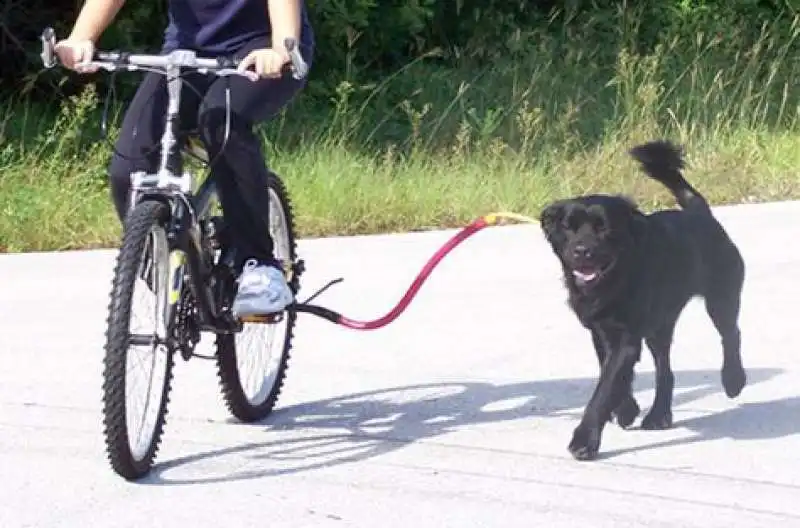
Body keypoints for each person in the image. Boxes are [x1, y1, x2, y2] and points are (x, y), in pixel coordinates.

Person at [54, 0, 314, 316]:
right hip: (184, 54)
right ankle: (168, 269)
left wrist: (281, 47)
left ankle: (259, 265)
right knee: (129, 169)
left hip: (260, 48)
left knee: (221, 123)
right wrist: (82, 37)